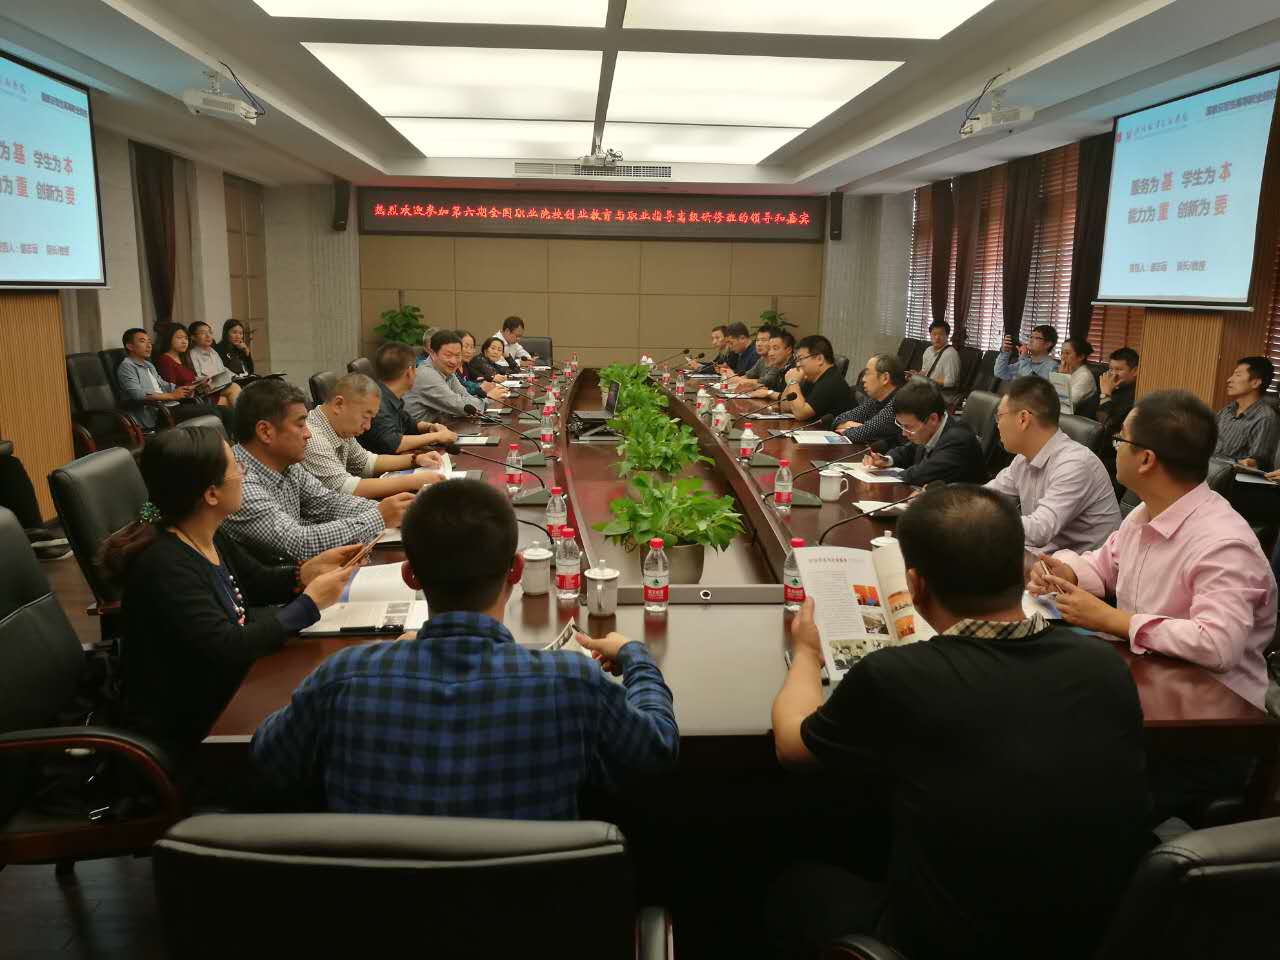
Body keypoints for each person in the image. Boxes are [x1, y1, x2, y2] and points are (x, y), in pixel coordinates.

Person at [768, 484, 1151, 960]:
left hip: (946, 940)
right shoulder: (1104, 665)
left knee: (795, 885)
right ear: (1022, 571)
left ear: (915, 586)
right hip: (1092, 935)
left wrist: (807, 651)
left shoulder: (898, 675)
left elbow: (792, 745)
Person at [249, 479, 679, 818]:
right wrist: (635, 657)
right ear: (515, 570)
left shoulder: (342, 677)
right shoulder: (571, 681)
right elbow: (656, 752)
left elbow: (268, 759)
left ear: (410, 576)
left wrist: (384, 661)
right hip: (533, 906)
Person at [100, 425, 359, 754]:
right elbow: (228, 645)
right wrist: (309, 604)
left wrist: (304, 573)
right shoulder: (164, 566)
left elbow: (256, 581)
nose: (243, 472)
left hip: (230, 689)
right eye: (236, 467)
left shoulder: (206, 532)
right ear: (211, 494)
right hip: (195, 729)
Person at [1031, 389, 1276, 711]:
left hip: (1214, 709)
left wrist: (1115, 620)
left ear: (1146, 459)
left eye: (1120, 440)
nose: (1115, 449)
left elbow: (1217, 645)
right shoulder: (1146, 512)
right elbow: (1105, 566)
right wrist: (1068, 573)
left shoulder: (1224, 543)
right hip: (1148, 674)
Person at [223, 379, 411, 562]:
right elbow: (298, 542)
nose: (308, 434)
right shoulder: (239, 482)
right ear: (265, 432)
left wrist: (400, 510)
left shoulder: (287, 465)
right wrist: (378, 517)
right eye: (300, 425)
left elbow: (328, 503)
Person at [986, 376, 1120, 553]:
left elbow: (1040, 530)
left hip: (1084, 565)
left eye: (999, 416)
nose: (997, 425)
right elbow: (987, 496)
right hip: (1048, 558)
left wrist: (979, 519)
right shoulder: (1023, 459)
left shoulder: (1074, 464)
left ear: (1023, 419)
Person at [302, 373, 447, 498]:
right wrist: (414, 480)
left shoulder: (339, 427)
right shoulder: (312, 438)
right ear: (339, 404)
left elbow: (366, 462)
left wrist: (416, 459)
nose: (368, 426)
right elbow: (346, 488)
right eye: (365, 417)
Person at [862, 380, 987, 485]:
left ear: (933, 419)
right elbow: (908, 451)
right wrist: (887, 460)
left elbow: (921, 474)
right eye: (901, 425)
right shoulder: (928, 429)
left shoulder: (958, 440)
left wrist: (889, 474)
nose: (904, 433)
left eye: (908, 427)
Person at [360, 342, 458, 456]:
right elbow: (395, 444)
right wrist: (437, 436)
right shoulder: (377, 402)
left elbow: (408, 423)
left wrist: (430, 427)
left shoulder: (388, 394)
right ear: (409, 372)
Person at [116, 327, 196, 430]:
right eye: (142, 341)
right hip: (155, 414)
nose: (149, 345)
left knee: (212, 411)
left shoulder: (148, 364)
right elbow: (137, 394)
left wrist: (182, 389)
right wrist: (171, 395)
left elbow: (162, 384)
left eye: (149, 342)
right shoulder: (127, 366)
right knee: (211, 411)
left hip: (167, 407)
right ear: (130, 346)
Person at [1212, 356, 1279, 470]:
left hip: (1234, 477)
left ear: (1255, 383)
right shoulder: (1227, 410)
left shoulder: (1265, 417)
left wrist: (1251, 463)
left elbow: (1258, 463)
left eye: (1237, 375)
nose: (1229, 380)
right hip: (1210, 471)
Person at [832, 354, 907, 449]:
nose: (863, 379)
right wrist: (856, 426)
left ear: (885, 378)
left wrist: (851, 428)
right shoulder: (876, 399)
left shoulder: (899, 402)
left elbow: (858, 434)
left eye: (867, 373)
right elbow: (838, 419)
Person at [780, 335, 853, 423]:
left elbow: (801, 414)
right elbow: (785, 407)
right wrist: (790, 383)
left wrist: (793, 382)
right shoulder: (811, 379)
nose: (797, 364)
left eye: (800, 359)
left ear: (819, 359)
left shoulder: (831, 382)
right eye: (797, 360)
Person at [405, 329, 474, 422]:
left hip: (439, 427)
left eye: (457, 355)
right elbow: (459, 406)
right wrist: (484, 402)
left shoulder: (447, 371)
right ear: (433, 353)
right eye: (448, 355)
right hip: (417, 430)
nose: (453, 361)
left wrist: (480, 403)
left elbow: (465, 396)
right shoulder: (427, 375)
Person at [187, 320, 241, 406]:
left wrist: (236, 376)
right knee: (234, 388)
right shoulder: (192, 354)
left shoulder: (213, 352)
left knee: (237, 392)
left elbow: (222, 369)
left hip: (220, 387)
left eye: (210, 332)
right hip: (206, 390)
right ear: (193, 337)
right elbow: (198, 379)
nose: (208, 336)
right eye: (203, 333)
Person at [1095, 346, 1140, 435]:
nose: (1113, 374)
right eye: (1111, 369)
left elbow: (1106, 425)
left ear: (1135, 371)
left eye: (1119, 369)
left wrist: (1105, 394)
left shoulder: (1136, 394)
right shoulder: (1108, 385)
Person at [994, 324, 1059, 383]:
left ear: (1048, 344)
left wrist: (1023, 359)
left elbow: (1033, 385)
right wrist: (1005, 352)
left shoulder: (1052, 367)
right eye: (1030, 337)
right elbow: (999, 373)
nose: (1030, 340)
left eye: (1036, 338)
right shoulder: (1025, 361)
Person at [456, 330, 507, 399]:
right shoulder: (478, 360)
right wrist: (480, 387)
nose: (469, 351)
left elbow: (478, 379)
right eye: (466, 346)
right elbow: (461, 389)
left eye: (472, 347)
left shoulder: (466, 365)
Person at [747, 331, 797, 400]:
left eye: (775, 349)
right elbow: (774, 389)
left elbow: (791, 398)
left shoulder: (795, 369)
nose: (770, 353)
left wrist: (769, 393)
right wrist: (755, 387)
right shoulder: (778, 367)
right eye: (769, 349)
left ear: (789, 350)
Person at [1058, 336, 1098, 415]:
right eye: (1061, 353)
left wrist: (1062, 377)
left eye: (1067, 353)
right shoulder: (1065, 370)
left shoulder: (1085, 376)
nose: (1062, 357)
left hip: (1073, 418)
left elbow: (1066, 403)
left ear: (1081, 357)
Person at [154, 321, 198, 390]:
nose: (184, 342)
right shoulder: (165, 360)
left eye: (186, 338)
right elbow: (171, 389)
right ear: (169, 338)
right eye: (179, 337)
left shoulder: (184, 357)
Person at [918, 319, 960, 388]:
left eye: (941, 334)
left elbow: (950, 382)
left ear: (947, 336)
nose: (937, 337)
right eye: (934, 334)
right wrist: (916, 375)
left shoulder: (951, 354)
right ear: (930, 335)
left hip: (940, 391)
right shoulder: (928, 350)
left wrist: (929, 380)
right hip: (926, 387)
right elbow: (925, 372)